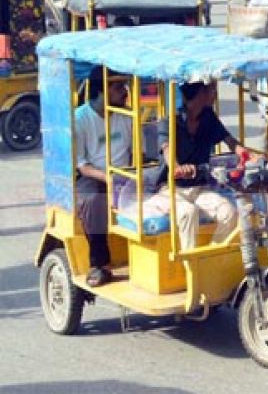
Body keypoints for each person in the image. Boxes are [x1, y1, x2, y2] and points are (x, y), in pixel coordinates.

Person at [145, 82, 251, 251]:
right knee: (188, 212)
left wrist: (244, 152)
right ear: (200, 94)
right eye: (211, 90)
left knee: (229, 213)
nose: (215, 94)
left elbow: (229, 140)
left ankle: (211, 256)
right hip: (171, 190)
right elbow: (166, 148)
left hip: (200, 188)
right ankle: (191, 264)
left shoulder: (208, 117)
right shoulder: (170, 122)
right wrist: (177, 167)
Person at [75, 68, 132, 286]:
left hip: (126, 174)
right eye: (118, 88)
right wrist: (109, 178)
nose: (125, 92)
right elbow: (82, 165)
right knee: (92, 199)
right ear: (101, 91)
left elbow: (138, 154)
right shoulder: (80, 119)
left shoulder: (127, 116)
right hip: (95, 176)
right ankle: (100, 264)